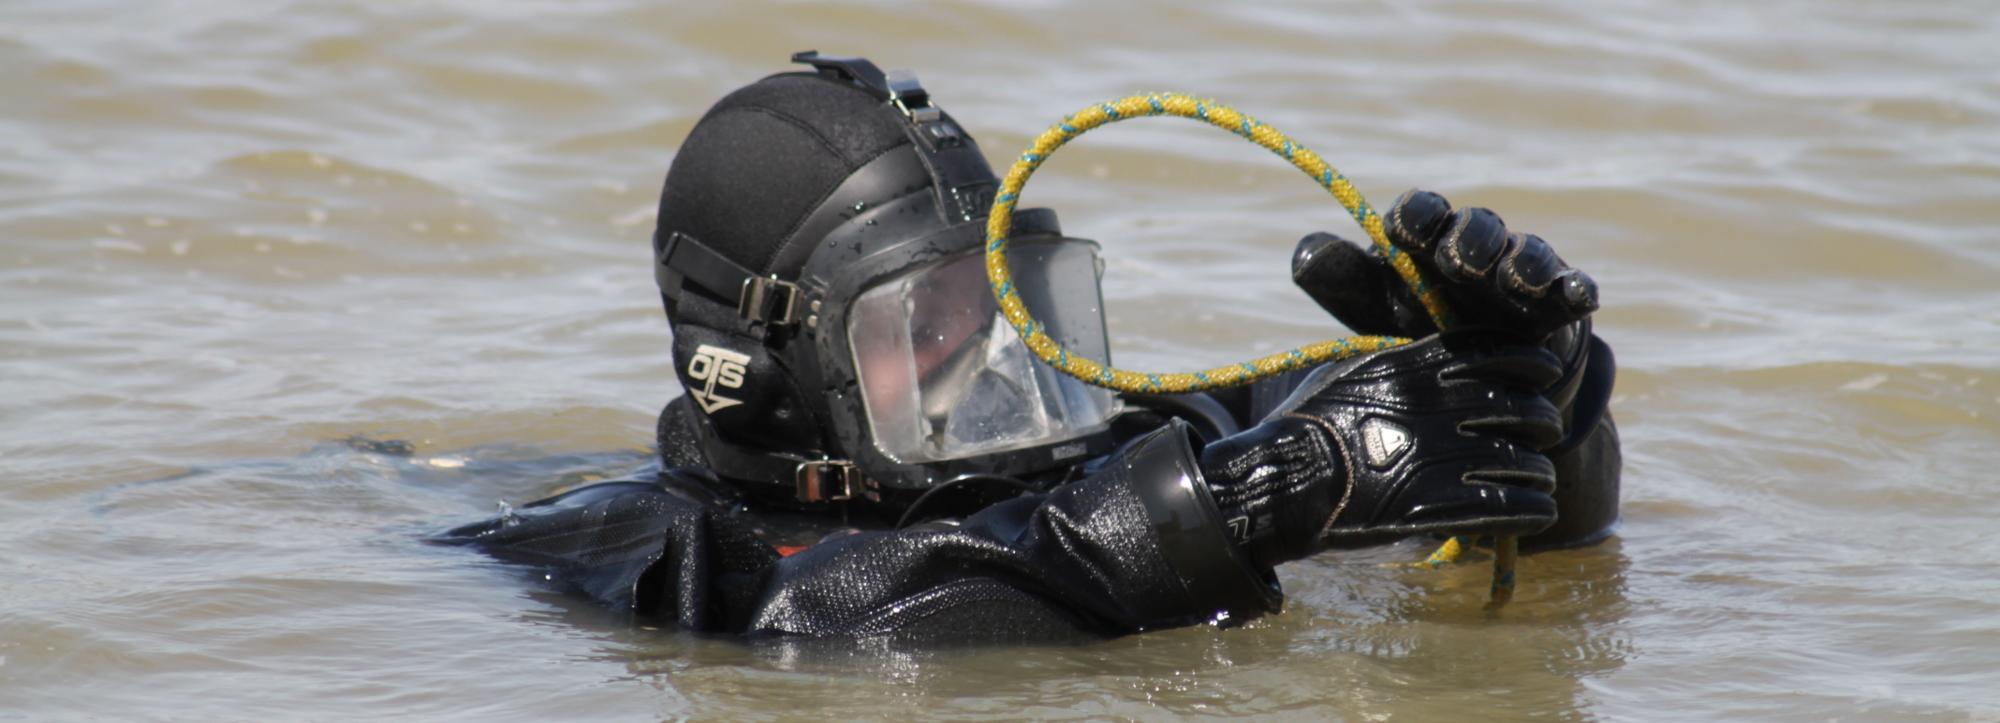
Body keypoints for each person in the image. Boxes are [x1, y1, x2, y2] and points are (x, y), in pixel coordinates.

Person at [436, 52, 1620, 642]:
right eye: (926, 320)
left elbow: (1299, 412)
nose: (990, 354)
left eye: (1005, 302)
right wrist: (1270, 495)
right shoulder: (640, 555)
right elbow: (844, 621)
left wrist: (1523, 395)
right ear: (749, 367)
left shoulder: (1071, 461)